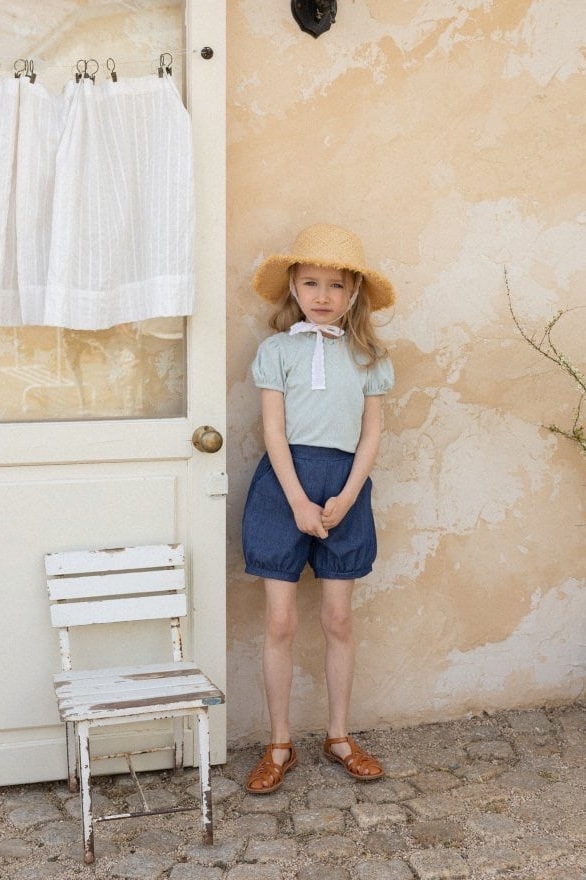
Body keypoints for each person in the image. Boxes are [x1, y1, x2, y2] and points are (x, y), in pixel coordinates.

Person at [242, 222, 396, 794]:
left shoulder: (369, 357)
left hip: (344, 487)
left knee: (338, 619)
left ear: (353, 292)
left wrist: (348, 496)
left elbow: (372, 433)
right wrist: (299, 501)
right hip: (284, 489)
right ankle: (279, 743)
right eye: (311, 283)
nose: (323, 295)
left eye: (336, 285)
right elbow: (273, 432)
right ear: (293, 287)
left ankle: (338, 736)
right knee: (280, 621)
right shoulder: (277, 351)